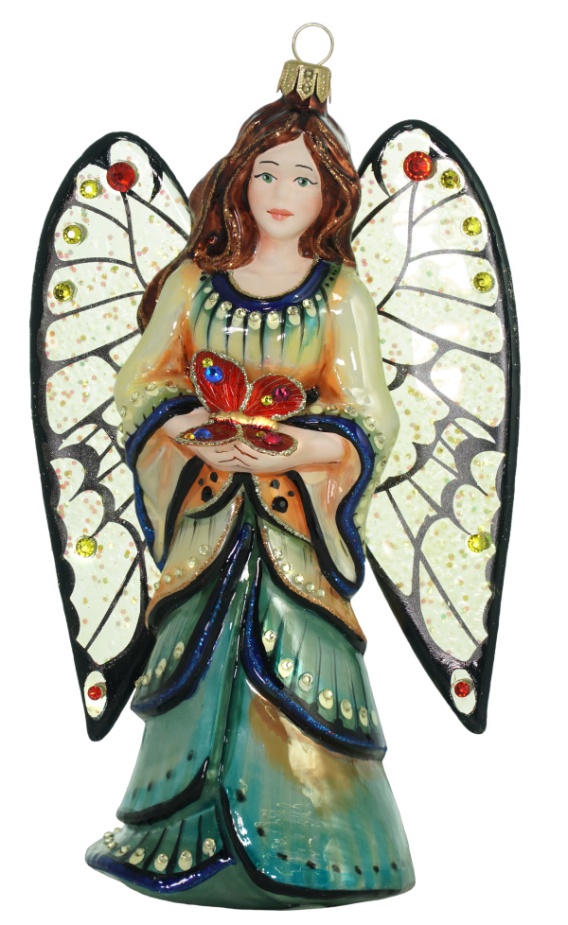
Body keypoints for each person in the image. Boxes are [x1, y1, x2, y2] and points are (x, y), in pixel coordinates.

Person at [85, 89, 415, 909]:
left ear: (331, 196)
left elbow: (372, 415)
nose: (281, 192)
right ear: (239, 177)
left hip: (295, 525)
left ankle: (325, 845)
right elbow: (139, 384)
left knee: (297, 662)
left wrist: (297, 448)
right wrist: (196, 434)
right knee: (196, 656)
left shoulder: (340, 294)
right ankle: (176, 831)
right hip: (206, 513)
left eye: (303, 179)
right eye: (267, 172)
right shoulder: (195, 282)